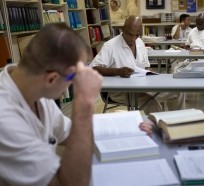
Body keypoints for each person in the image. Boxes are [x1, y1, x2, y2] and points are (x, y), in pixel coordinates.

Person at [0, 23, 152, 186]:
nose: (74, 82)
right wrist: (84, 104)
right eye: (74, 77)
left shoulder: (33, 88)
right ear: (51, 79)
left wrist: (130, 128)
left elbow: (70, 133)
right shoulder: (5, 120)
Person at [90, 16, 184, 114]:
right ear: (123, 29)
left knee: (178, 91)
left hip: (143, 87)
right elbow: (93, 68)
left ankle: (176, 123)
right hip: (120, 91)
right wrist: (117, 71)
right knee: (152, 102)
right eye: (130, 34)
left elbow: (146, 67)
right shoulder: (110, 46)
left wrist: (149, 72)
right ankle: (159, 128)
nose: (133, 39)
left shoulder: (140, 43)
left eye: (137, 35)